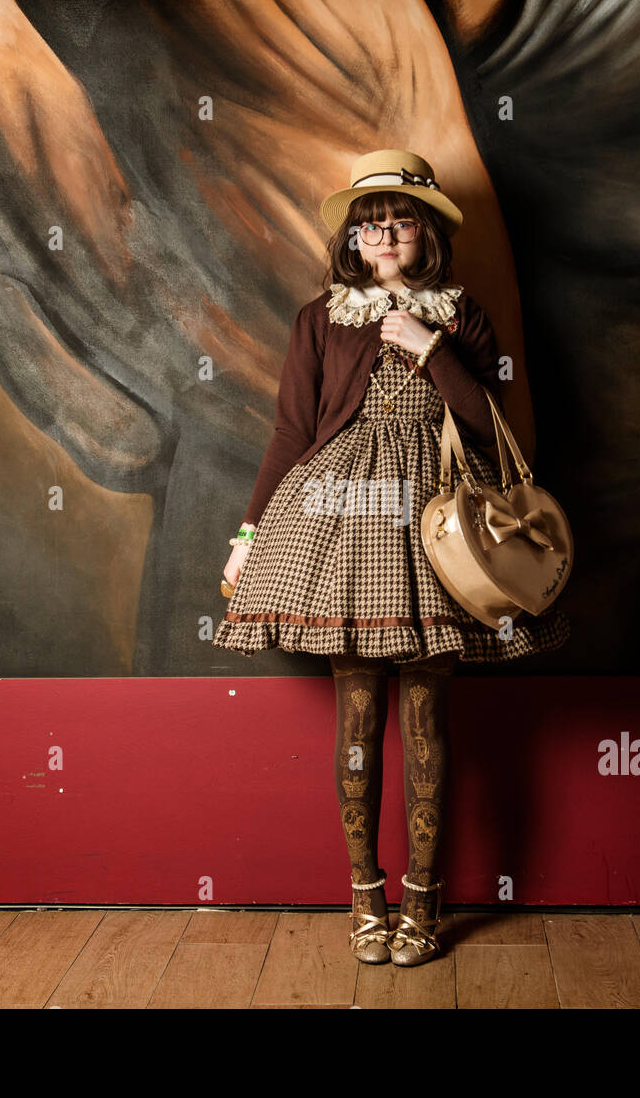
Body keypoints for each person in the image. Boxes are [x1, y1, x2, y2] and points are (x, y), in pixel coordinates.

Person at [213, 149, 570, 965]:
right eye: (369, 222)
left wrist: (427, 344)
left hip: (438, 526)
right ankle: (364, 898)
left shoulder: (462, 315)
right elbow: (290, 435)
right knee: (359, 720)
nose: (382, 233)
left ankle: (423, 905)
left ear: (427, 234)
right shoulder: (318, 319)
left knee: (428, 719)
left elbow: (490, 429)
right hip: (336, 519)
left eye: (399, 220)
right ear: (353, 236)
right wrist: (247, 536)